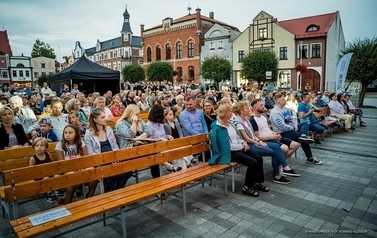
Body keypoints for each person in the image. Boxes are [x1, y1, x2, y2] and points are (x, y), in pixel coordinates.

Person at [209, 103, 267, 197]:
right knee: (253, 163)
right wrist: (241, 146)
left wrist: (243, 142)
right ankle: (247, 187)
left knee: (259, 158)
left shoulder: (231, 123)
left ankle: (256, 182)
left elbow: (237, 138)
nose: (232, 113)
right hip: (229, 153)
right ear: (225, 113)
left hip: (239, 148)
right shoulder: (218, 128)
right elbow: (228, 146)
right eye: (230, 111)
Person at [233, 101, 300, 183]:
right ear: (242, 111)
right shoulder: (242, 122)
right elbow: (247, 139)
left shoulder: (247, 120)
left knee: (277, 147)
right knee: (277, 149)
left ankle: (280, 172)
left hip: (259, 141)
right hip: (251, 145)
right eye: (247, 108)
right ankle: (282, 170)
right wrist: (259, 142)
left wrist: (269, 136)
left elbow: (254, 135)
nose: (248, 109)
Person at [85, 108, 132, 192]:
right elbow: (91, 153)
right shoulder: (88, 134)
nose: (105, 119)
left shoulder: (108, 130)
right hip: (100, 161)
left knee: (127, 172)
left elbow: (115, 146)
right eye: (102, 117)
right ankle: (115, 192)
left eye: (105, 116)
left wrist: (115, 157)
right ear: (95, 119)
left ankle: (114, 191)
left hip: (112, 158)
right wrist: (104, 161)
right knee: (113, 175)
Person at [270, 93, 322, 165]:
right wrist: (292, 127)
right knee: (301, 138)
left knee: (304, 124)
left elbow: (292, 118)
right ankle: (310, 157)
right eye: (283, 100)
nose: (285, 101)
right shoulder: (275, 113)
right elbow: (282, 126)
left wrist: (295, 125)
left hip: (291, 128)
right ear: (279, 102)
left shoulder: (286, 109)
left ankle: (303, 135)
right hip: (282, 133)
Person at [56, 124, 96, 204]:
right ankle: (68, 199)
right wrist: (74, 168)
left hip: (80, 166)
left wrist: (82, 166)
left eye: (70, 133)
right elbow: (61, 163)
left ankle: (90, 194)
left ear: (76, 133)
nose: (67, 135)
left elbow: (85, 157)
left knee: (92, 170)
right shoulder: (60, 145)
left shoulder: (81, 142)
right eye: (65, 133)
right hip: (67, 168)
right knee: (72, 175)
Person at [146, 105, 181, 174]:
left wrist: (168, 136)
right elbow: (148, 139)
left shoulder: (160, 124)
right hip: (156, 148)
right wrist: (159, 139)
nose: (163, 114)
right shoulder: (149, 125)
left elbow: (163, 135)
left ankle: (181, 174)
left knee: (180, 153)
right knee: (180, 154)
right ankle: (176, 171)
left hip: (165, 146)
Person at [29, 137, 59, 203]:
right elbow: (31, 170)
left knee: (57, 175)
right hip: (39, 176)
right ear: (34, 147)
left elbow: (52, 163)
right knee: (46, 178)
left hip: (49, 172)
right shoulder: (33, 158)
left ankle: (56, 190)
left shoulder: (48, 154)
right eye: (37, 146)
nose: (39, 147)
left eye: (42, 145)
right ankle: (49, 194)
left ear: (45, 147)